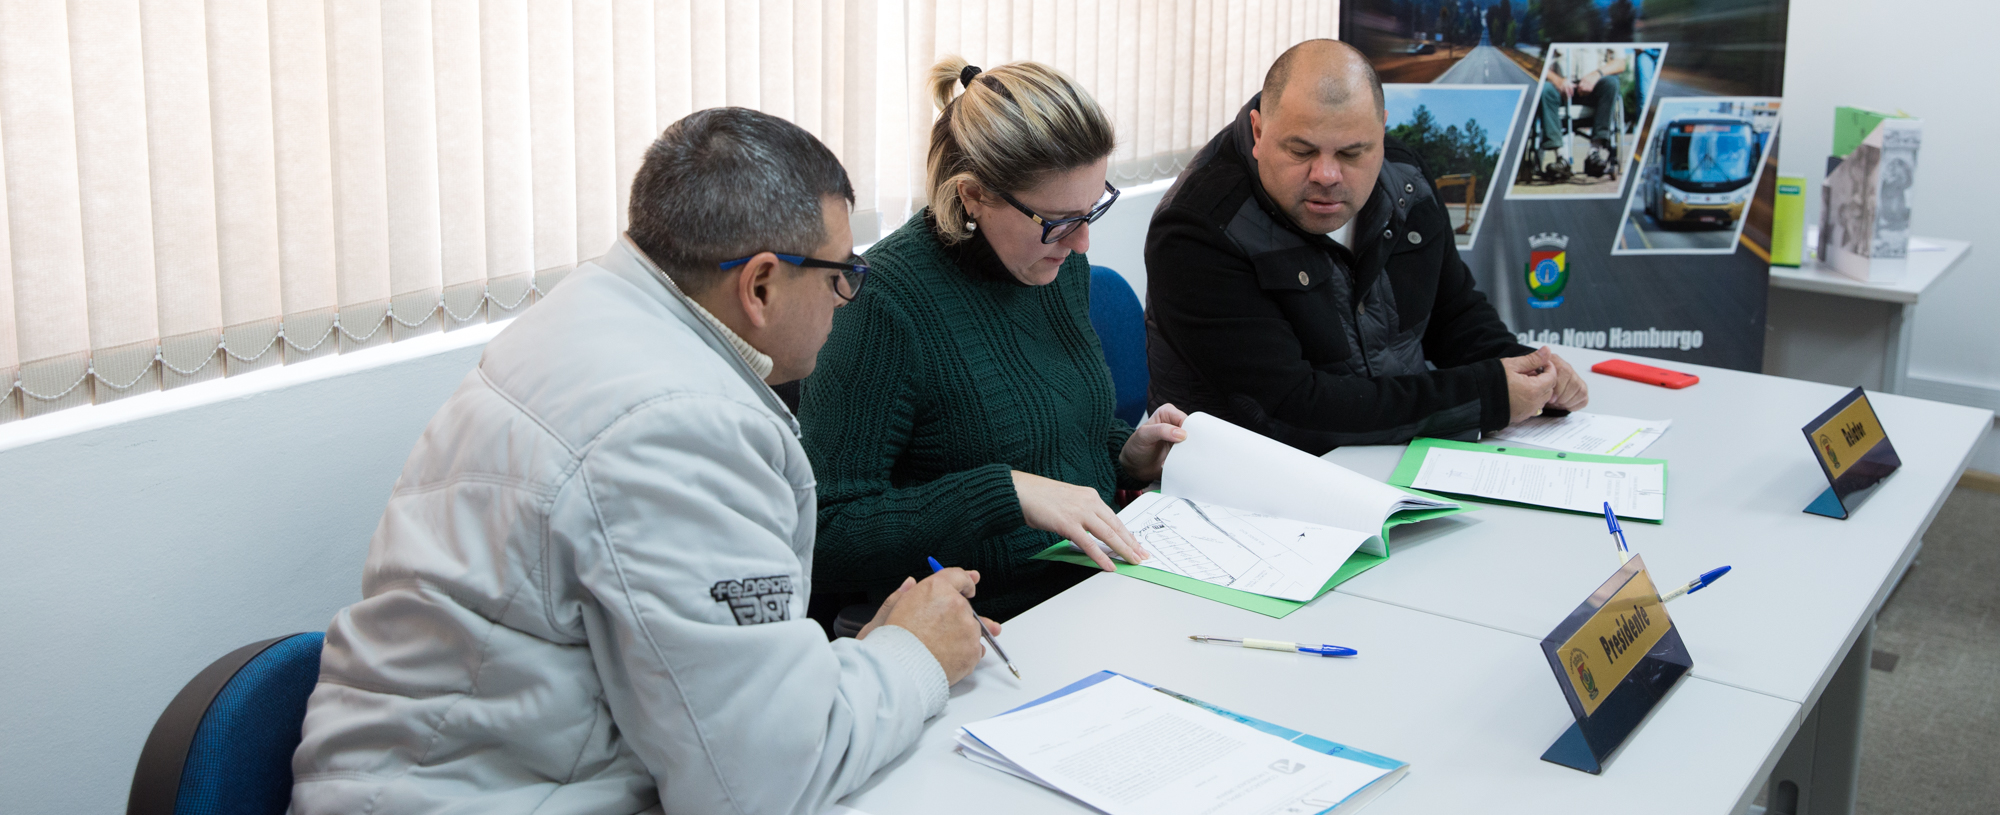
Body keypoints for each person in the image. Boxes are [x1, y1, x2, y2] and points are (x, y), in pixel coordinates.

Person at [292, 109, 992, 815]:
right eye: (842, 275)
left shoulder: (594, 314)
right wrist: (915, 656)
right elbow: (766, 785)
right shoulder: (681, 429)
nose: (846, 299)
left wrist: (850, 665)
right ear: (760, 286)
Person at [800, 57, 1187, 622]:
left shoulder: (1054, 264)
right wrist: (1002, 493)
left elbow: (1055, 432)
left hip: (1098, 589)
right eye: (1058, 220)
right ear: (973, 195)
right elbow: (824, 536)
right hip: (989, 623)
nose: (1081, 243)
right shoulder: (883, 306)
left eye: (1092, 210)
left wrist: (1125, 456)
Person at [1145, 39, 1588, 452]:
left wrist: (1527, 371)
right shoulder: (1198, 229)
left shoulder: (1405, 179)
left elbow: (1454, 314)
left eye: (1352, 153)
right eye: (1301, 151)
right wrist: (1486, 394)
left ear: (1381, 131)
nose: (1327, 175)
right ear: (1258, 132)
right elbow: (1288, 411)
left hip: (1400, 453)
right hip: (1248, 479)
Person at [1535, 47, 1629, 176]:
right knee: (1544, 89)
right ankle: (1561, 158)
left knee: (1611, 83)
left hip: (1594, 87)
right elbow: (1537, 64)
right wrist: (1558, 81)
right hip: (1562, 89)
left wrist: (1596, 74)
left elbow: (1620, 63)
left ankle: (1594, 153)